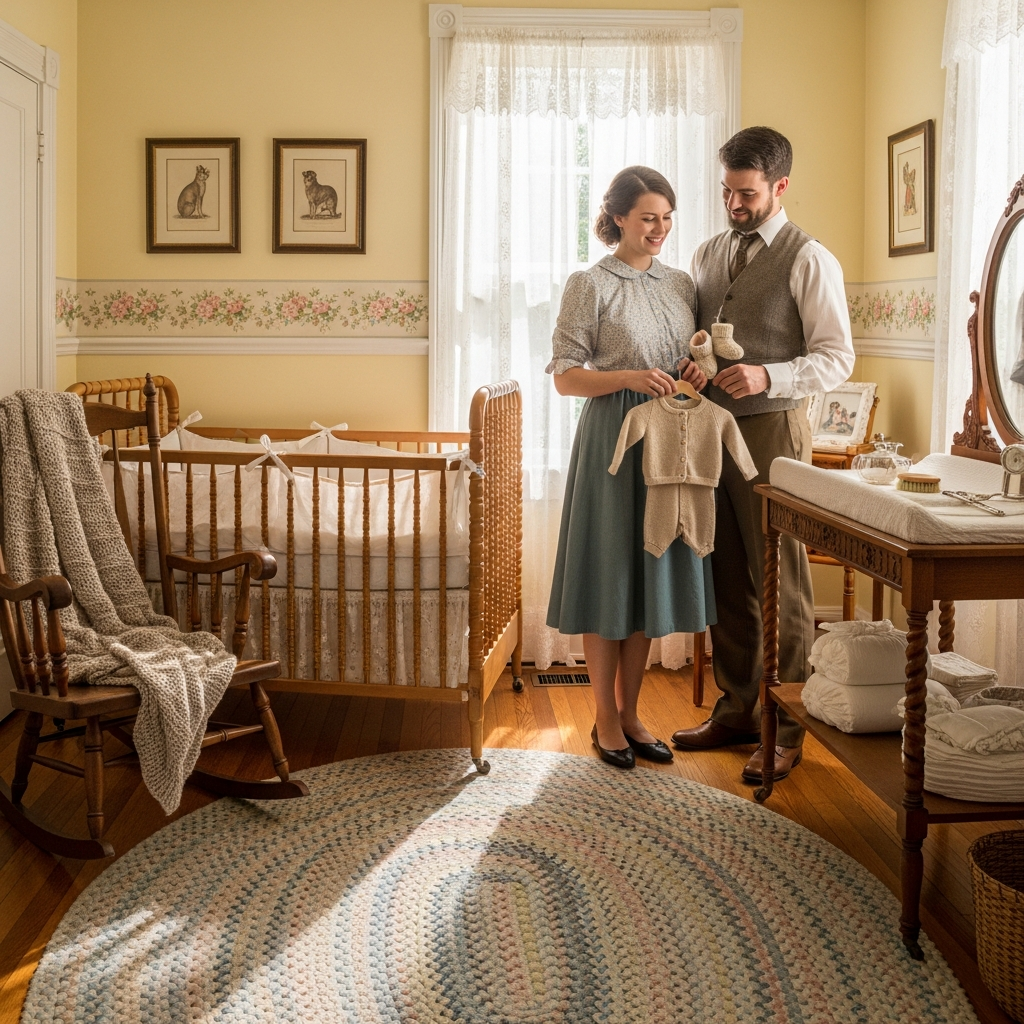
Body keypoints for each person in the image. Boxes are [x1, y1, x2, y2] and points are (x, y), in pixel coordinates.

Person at [671, 126, 855, 783]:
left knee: (778, 576)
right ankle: (739, 708)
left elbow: (837, 358)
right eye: (725, 189)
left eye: (745, 192)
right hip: (711, 427)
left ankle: (786, 724)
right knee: (723, 570)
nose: (733, 202)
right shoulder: (708, 250)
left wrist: (767, 377)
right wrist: (694, 368)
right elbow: (703, 338)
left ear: (780, 186)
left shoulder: (811, 259)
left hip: (774, 432)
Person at [546, 166, 710, 770]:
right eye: (648, 219)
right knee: (610, 575)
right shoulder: (589, 285)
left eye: (667, 219)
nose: (660, 229)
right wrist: (628, 378)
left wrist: (696, 372)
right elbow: (565, 377)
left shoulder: (681, 284)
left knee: (650, 576)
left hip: (669, 439)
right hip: (612, 441)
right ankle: (605, 719)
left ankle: (634, 713)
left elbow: (693, 358)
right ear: (617, 217)